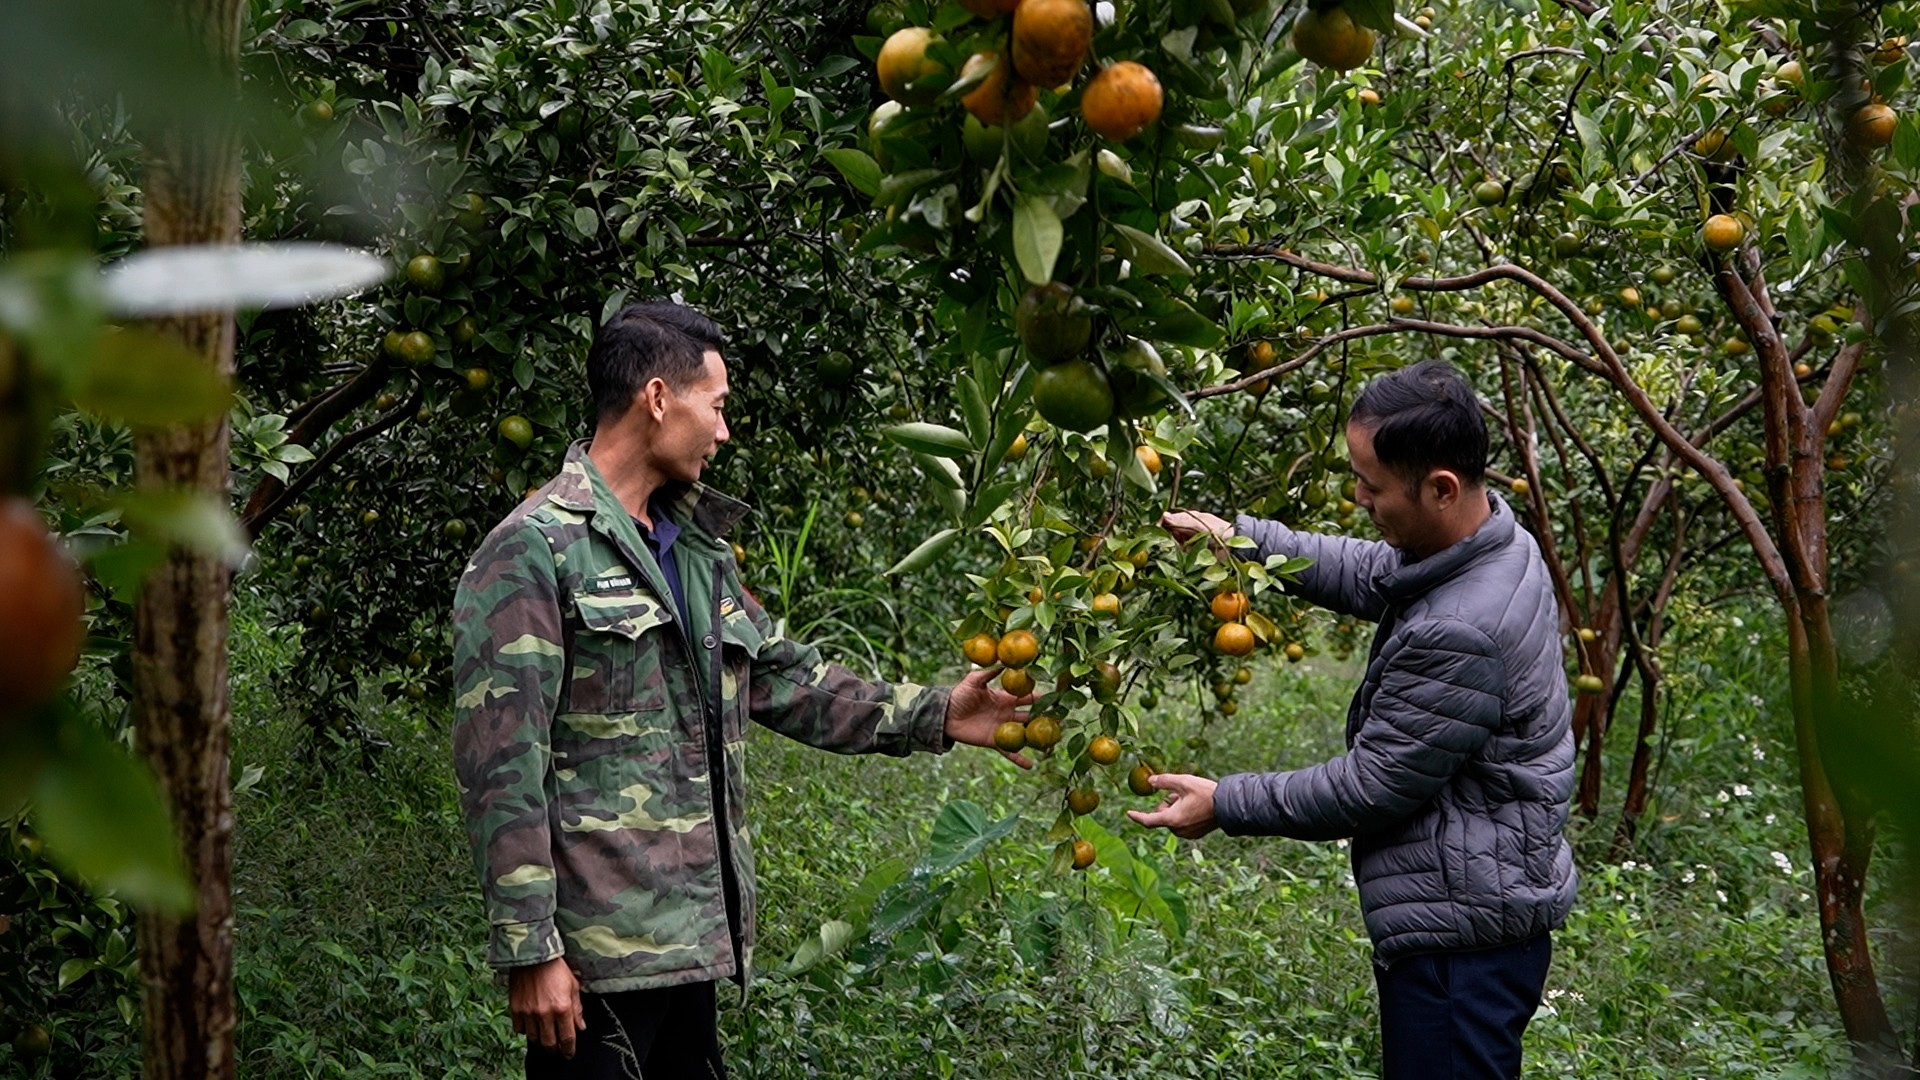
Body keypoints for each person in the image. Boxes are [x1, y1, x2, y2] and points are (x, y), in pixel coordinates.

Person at [451, 301, 1031, 1079]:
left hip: (691, 938)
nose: (724, 432)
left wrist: (939, 714)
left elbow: (780, 675)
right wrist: (531, 949)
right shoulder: (533, 550)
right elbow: (503, 766)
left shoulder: (692, 550)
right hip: (597, 961)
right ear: (659, 398)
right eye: (717, 406)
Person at [1130, 359, 1576, 1080]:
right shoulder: (1492, 543)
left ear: (1440, 488)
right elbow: (1369, 570)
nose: (1359, 498)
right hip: (1477, 905)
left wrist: (1226, 802)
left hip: (1459, 945)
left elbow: (1371, 787)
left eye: (1372, 484)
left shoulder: (1464, 628)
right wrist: (1237, 540)